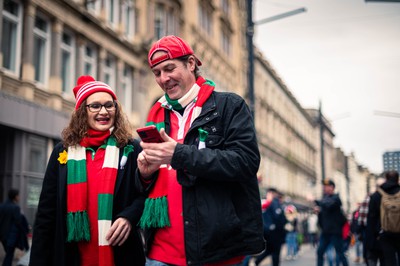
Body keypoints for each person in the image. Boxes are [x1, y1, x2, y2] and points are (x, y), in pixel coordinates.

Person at [136, 35, 265, 265]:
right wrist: (144, 174)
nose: (164, 78)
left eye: (169, 68)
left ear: (191, 64)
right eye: (157, 73)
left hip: (214, 253)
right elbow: (147, 186)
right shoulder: (156, 114)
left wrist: (178, 154)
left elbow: (245, 162)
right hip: (159, 253)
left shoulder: (229, 106)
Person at [29, 76, 146, 266]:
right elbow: (46, 214)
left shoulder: (131, 149)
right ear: (82, 112)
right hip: (71, 255)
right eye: (95, 106)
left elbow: (147, 194)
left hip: (120, 255)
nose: (104, 111)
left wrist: (129, 217)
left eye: (109, 105)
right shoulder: (62, 151)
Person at [243, 188, 287, 266]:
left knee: (270, 250)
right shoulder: (274, 203)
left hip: (269, 232)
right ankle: (257, 261)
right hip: (275, 233)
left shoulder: (268, 204)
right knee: (275, 252)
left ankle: (257, 261)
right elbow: (278, 217)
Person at [366, 170, 400, 266]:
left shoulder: (377, 195)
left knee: (389, 261)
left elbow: (371, 219)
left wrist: (372, 238)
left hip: (385, 234)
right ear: (398, 180)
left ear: (386, 179)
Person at [314, 179, 348, 266]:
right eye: (324, 186)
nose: (324, 188)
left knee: (340, 253)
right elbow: (322, 214)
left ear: (332, 187)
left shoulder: (336, 198)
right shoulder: (324, 199)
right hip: (326, 232)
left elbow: (328, 205)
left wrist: (316, 202)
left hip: (335, 232)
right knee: (320, 252)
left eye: (326, 186)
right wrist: (319, 211)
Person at [0, 189, 29, 266]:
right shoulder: (15, 207)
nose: (19, 197)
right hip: (10, 236)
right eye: (18, 196)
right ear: (15, 196)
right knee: (9, 255)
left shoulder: (1, 206)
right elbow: (18, 222)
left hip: (2, 235)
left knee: (9, 253)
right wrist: (25, 230)